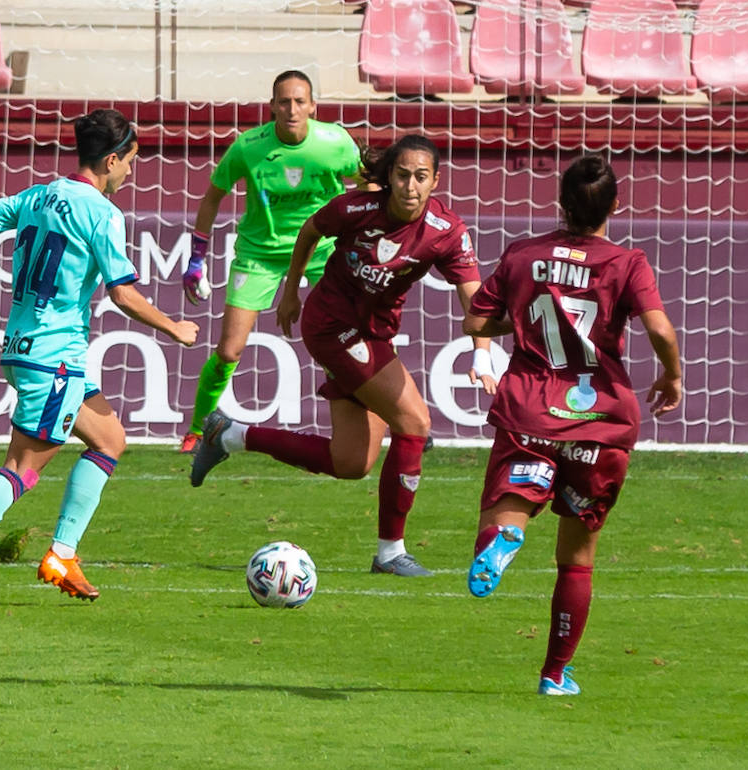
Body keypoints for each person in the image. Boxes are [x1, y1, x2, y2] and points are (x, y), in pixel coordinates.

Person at [0, 109, 199, 608]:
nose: (131, 171)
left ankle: (62, 554)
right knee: (21, 469)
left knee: (109, 440)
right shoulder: (102, 213)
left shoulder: (40, 193)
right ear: (110, 159)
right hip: (52, 358)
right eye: (130, 161)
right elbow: (123, 295)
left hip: (31, 350)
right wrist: (175, 328)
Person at [190, 134, 497, 577]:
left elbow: (475, 296)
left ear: (435, 182)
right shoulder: (357, 208)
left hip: (375, 335)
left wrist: (482, 354)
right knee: (414, 423)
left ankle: (229, 434)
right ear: (389, 177)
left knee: (351, 463)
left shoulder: (445, 232)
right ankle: (391, 553)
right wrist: (292, 288)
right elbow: (311, 230)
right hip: (331, 326)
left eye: (421, 177)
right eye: (402, 175)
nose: (411, 186)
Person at [462, 155, 682, 695]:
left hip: (530, 410)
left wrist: (517, 319)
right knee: (576, 560)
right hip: (599, 420)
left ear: (561, 204)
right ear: (613, 205)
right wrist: (672, 375)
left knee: (503, 516)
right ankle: (555, 674)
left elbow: (475, 319)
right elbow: (659, 328)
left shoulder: (523, 254)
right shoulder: (628, 262)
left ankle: (507, 535)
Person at [178, 70, 363, 454]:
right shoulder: (249, 147)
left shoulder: (335, 142)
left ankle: (385, 417)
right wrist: (197, 257)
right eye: (284, 101)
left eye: (300, 101)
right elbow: (213, 197)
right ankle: (198, 429)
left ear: (313, 105)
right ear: (272, 106)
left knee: (346, 340)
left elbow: (367, 185)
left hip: (322, 249)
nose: (292, 109)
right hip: (260, 253)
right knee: (229, 351)